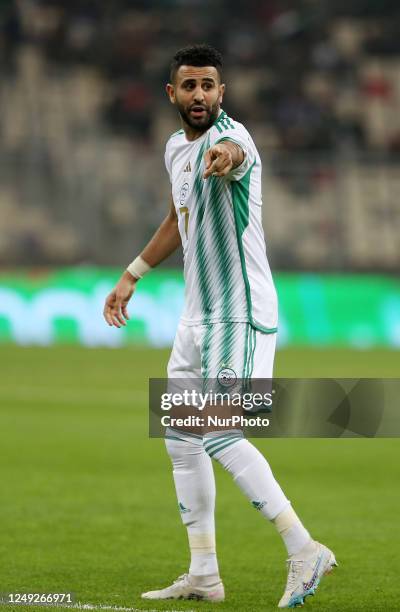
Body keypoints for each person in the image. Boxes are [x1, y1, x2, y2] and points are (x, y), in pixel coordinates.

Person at [103, 44, 337, 609]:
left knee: (220, 430)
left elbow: (234, 154)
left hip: (239, 312)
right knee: (182, 438)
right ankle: (204, 573)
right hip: (195, 314)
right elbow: (178, 218)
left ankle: (304, 548)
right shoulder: (174, 150)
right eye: (189, 86)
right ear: (172, 94)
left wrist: (225, 158)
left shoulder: (236, 140)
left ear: (222, 92)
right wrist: (132, 273)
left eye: (209, 85)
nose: (200, 95)